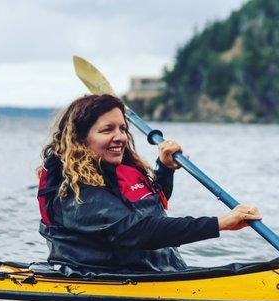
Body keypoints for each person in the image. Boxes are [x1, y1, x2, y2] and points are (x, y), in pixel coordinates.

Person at [38, 94, 261, 273]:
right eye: (107, 130)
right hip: (101, 277)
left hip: (155, 272)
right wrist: (219, 223)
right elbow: (137, 230)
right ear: (80, 138)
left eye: (122, 128)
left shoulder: (114, 170)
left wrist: (164, 169)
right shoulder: (72, 191)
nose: (121, 137)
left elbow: (150, 207)